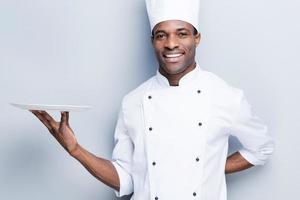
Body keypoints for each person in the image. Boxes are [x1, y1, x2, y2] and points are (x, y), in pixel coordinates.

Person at [31, 0, 274, 199]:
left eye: (182, 34)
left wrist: (207, 166)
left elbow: (261, 148)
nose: (171, 44)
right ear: (152, 41)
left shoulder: (225, 96)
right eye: (161, 35)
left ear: (196, 38)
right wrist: (75, 149)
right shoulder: (132, 102)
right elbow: (125, 179)